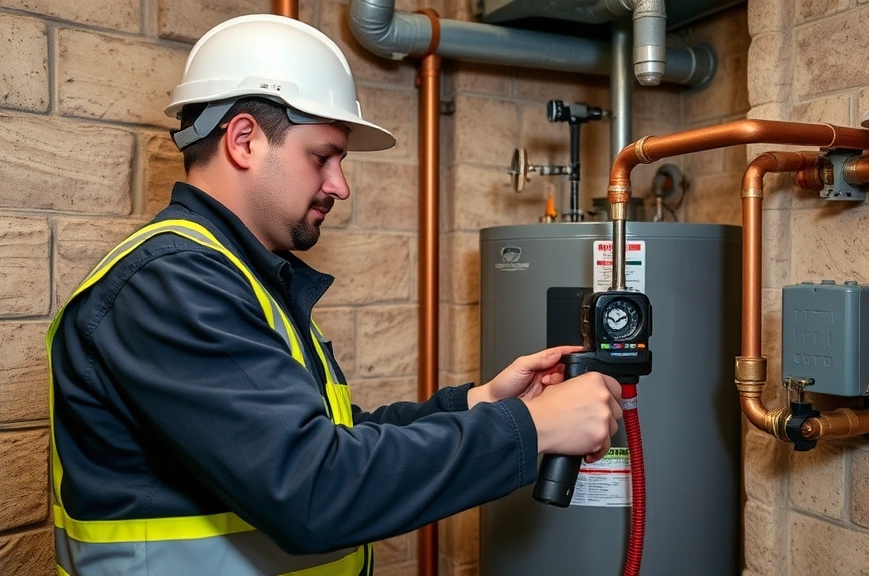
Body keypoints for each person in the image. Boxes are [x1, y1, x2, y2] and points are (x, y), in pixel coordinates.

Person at [47, 13, 623, 576]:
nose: (339, 186)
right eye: (323, 157)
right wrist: (534, 426)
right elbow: (316, 489)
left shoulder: (234, 275)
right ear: (244, 139)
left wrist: (483, 404)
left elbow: (324, 441)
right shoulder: (170, 286)